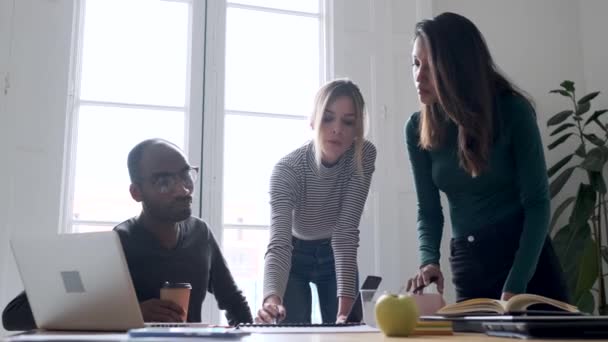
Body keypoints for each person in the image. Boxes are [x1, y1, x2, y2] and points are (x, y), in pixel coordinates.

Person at [404, 12, 569, 303]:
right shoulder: (416, 128)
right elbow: (428, 211)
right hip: (469, 263)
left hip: (526, 261)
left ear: (456, 68)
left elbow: (538, 204)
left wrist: (517, 282)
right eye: (416, 63)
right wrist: (428, 260)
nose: (418, 76)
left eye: (430, 67)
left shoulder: (514, 111)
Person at [3, 139, 253, 330]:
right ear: (136, 193)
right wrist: (132, 315)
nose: (183, 189)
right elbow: (14, 316)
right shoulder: (116, 243)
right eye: (164, 182)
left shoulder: (200, 234)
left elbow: (234, 303)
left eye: (186, 175)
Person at [256, 79, 377, 324]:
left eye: (348, 122)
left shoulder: (363, 155)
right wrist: (271, 301)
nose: (337, 129)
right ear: (313, 121)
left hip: (335, 254)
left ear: (358, 129)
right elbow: (279, 243)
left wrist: (344, 313)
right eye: (328, 118)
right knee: (291, 331)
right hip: (294, 255)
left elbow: (345, 232)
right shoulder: (287, 170)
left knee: (347, 332)